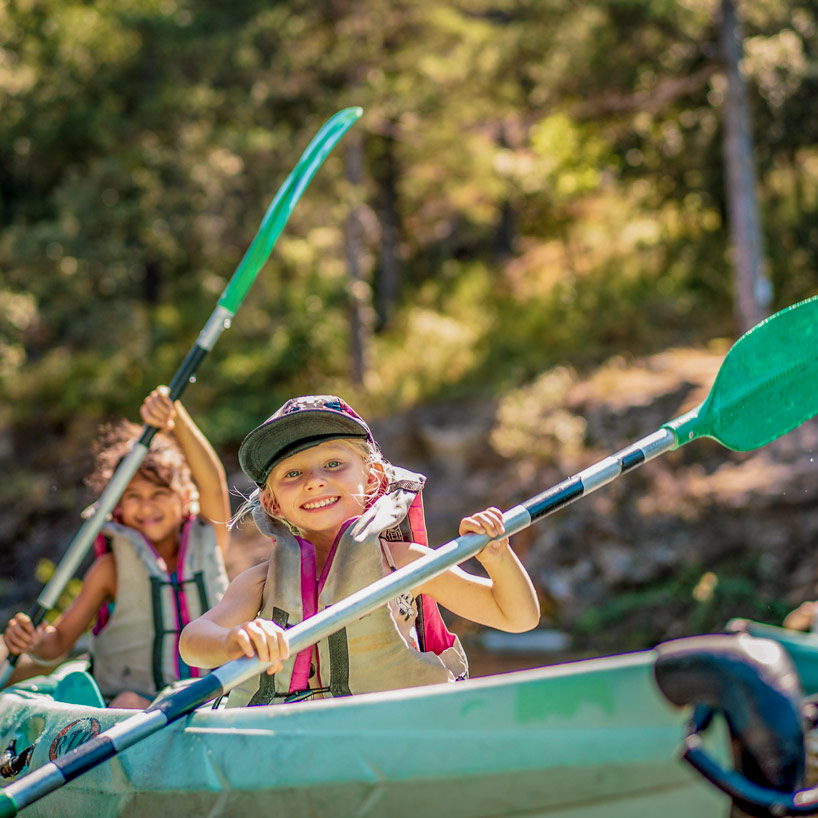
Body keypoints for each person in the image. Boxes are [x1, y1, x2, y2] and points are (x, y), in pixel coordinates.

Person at [180, 395, 540, 705]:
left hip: (393, 728)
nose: (315, 481)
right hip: (293, 736)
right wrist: (232, 641)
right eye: (292, 474)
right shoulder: (258, 582)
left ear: (373, 480)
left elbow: (516, 618)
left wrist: (498, 559)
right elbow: (193, 642)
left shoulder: (405, 563)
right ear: (272, 503)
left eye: (333, 464)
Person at [2, 387, 231, 708]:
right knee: (126, 701)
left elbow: (213, 481)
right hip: (137, 705)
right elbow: (58, 642)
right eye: (133, 496)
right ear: (118, 506)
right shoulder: (110, 570)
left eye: (158, 494)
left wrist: (175, 416)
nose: (146, 506)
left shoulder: (210, 538)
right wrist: (34, 640)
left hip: (211, 696)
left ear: (183, 499)